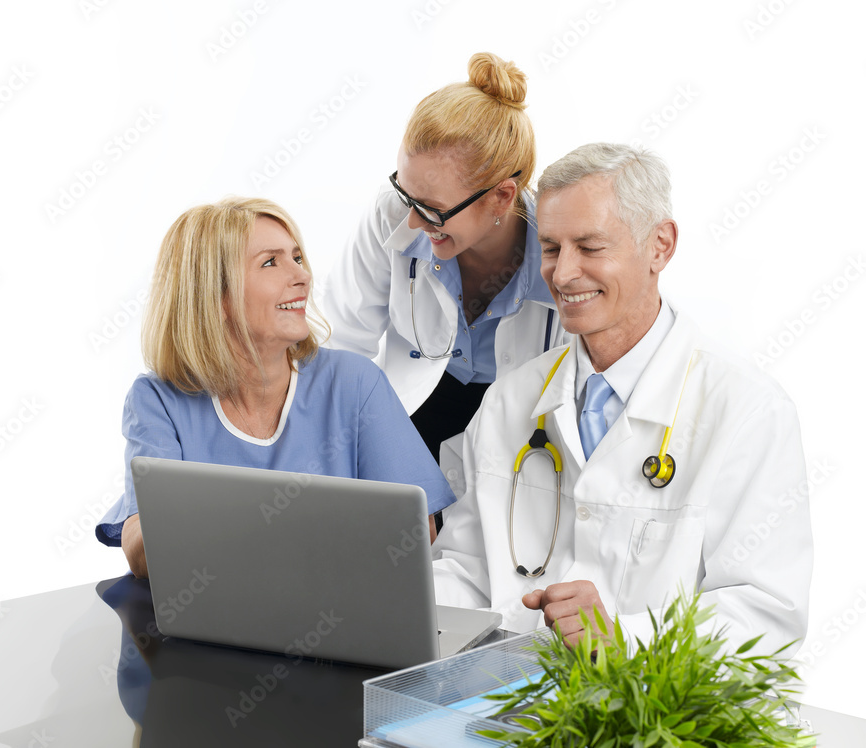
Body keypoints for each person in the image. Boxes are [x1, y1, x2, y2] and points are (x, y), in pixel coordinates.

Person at [431, 143, 812, 656]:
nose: (563, 274)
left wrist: (623, 641)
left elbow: (764, 618)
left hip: (652, 705)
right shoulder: (509, 400)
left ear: (660, 246)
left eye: (590, 247)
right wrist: (392, 607)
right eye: (551, 248)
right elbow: (466, 570)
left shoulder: (748, 411)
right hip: (506, 697)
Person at [95, 197, 456, 577]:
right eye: (270, 262)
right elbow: (142, 550)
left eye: (297, 258)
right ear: (215, 296)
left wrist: (227, 533)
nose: (302, 276)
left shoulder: (355, 383)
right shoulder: (159, 400)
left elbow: (415, 531)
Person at [321, 52, 566, 469]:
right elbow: (343, 344)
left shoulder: (564, 249)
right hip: (410, 411)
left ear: (501, 197)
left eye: (433, 209)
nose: (413, 222)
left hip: (520, 438)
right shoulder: (392, 213)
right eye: (406, 194)